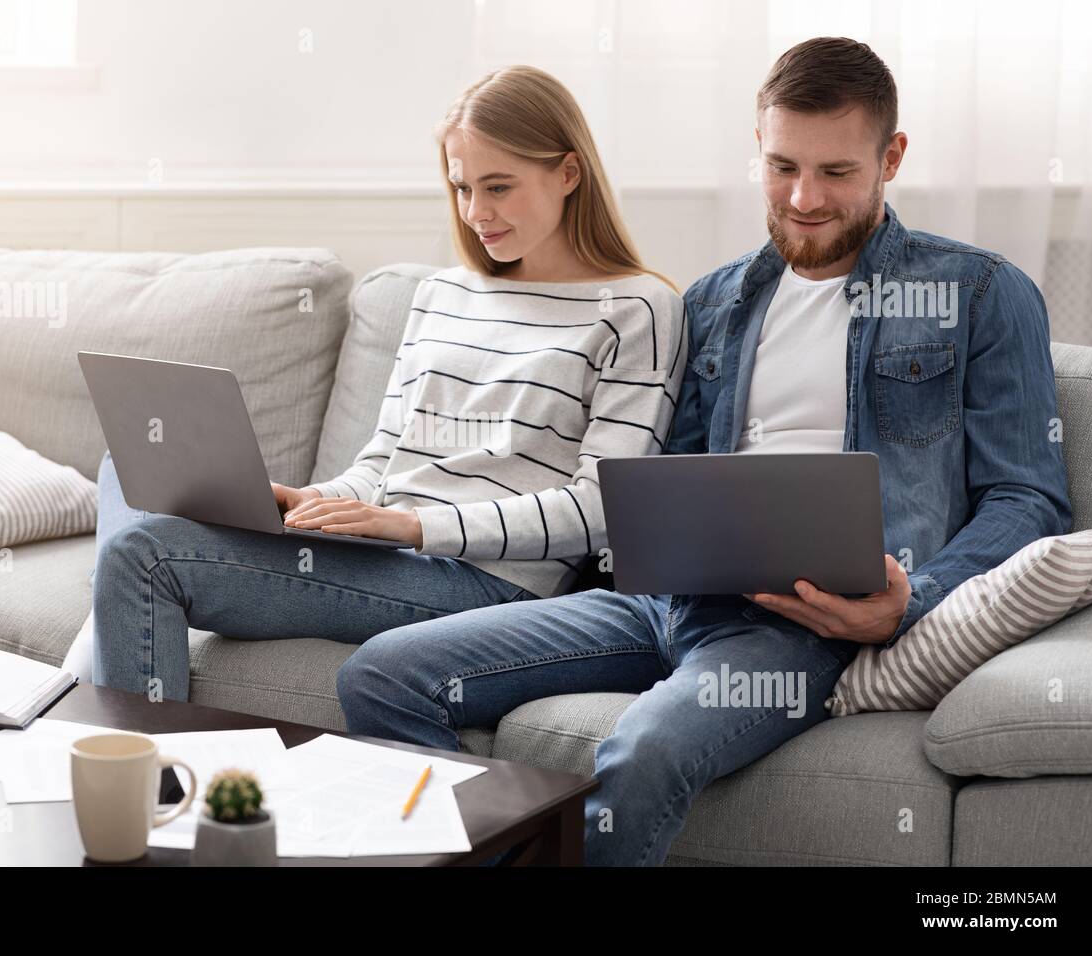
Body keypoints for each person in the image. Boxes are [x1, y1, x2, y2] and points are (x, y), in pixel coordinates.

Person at [335, 37, 1073, 866]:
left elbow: (1029, 501)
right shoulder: (716, 299)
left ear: (890, 157)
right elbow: (662, 481)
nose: (803, 198)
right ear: (757, 152)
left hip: (801, 629)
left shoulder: (978, 293)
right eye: (782, 166)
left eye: (836, 172)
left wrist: (912, 601)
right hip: (663, 604)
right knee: (383, 673)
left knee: (645, 746)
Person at [82, 65, 687, 701]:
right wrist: (313, 503)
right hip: (387, 552)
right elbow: (384, 458)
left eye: (499, 187)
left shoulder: (636, 309)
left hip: (483, 581)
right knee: (126, 470)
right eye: (462, 188)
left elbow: (600, 509)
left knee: (143, 556)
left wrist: (415, 528)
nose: (478, 212)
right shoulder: (441, 293)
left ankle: (139, 784)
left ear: (568, 173)